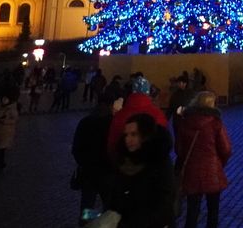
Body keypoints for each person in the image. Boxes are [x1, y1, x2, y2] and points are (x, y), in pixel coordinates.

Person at [104, 113, 176, 228]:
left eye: (134, 134)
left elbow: (163, 202)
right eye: (126, 135)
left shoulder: (159, 162)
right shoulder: (124, 159)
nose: (128, 139)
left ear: (145, 136)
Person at [176, 90, 232, 228]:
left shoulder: (185, 122)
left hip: (192, 171)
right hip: (212, 170)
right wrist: (219, 163)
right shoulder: (216, 123)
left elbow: (179, 150)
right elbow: (226, 149)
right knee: (213, 211)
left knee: (192, 211)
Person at [73, 90, 116, 226]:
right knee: (109, 208)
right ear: (111, 105)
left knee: (87, 205)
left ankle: (86, 223)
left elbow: (76, 148)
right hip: (108, 172)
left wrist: (84, 163)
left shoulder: (85, 122)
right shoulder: (114, 124)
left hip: (89, 172)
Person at [106, 75, 169, 163]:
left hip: (126, 165)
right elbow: (164, 144)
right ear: (148, 92)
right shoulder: (158, 114)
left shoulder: (120, 114)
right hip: (151, 165)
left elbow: (112, 144)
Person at [0, 88, 20, 174]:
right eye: (3, 99)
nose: (4, 100)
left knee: (0, 150)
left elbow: (15, 120)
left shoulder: (12, 110)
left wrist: (4, 121)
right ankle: (1, 163)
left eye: (5, 99)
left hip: (6, 132)